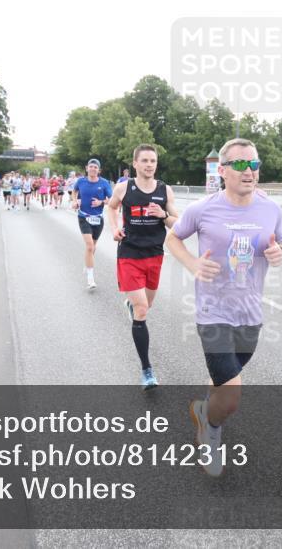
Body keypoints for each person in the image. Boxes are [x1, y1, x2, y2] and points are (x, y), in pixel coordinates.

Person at [166, 138, 282, 476]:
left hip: (250, 314)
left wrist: (280, 253)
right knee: (231, 396)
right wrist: (192, 264)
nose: (250, 172)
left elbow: (281, 243)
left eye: (255, 164)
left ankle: (206, 408)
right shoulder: (202, 209)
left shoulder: (271, 209)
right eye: (242, 165)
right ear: (222, 170)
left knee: (224, 382)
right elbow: (173, 238)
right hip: (212, 312)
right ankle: (210, 429)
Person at [107, 144, 179, 390]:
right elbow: (111, 207)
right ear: (135, 164)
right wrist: (114, 228)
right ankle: (147, 370)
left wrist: (162, 215)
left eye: (153, 161)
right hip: (129, 253)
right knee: (142, 310)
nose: (149, 165)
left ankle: (132, 303)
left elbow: (176, 224)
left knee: (147, 305)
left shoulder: (164, 190)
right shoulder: (124, 187)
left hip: (154, 255)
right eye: (145, 160)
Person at [72, 159, 113, 290]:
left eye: (95, 167)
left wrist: (101, 202)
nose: (93, 169)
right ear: (86, 168)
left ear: (99, 170)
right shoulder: (81, 181)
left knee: (93, 247)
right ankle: (90, 279)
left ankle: (87, 262)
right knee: (89, 246)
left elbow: (111, 200)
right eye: (91, 166)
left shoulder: (104, 183)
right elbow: (74, 191)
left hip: (98, 219)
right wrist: (75, 201)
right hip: (83, 216)